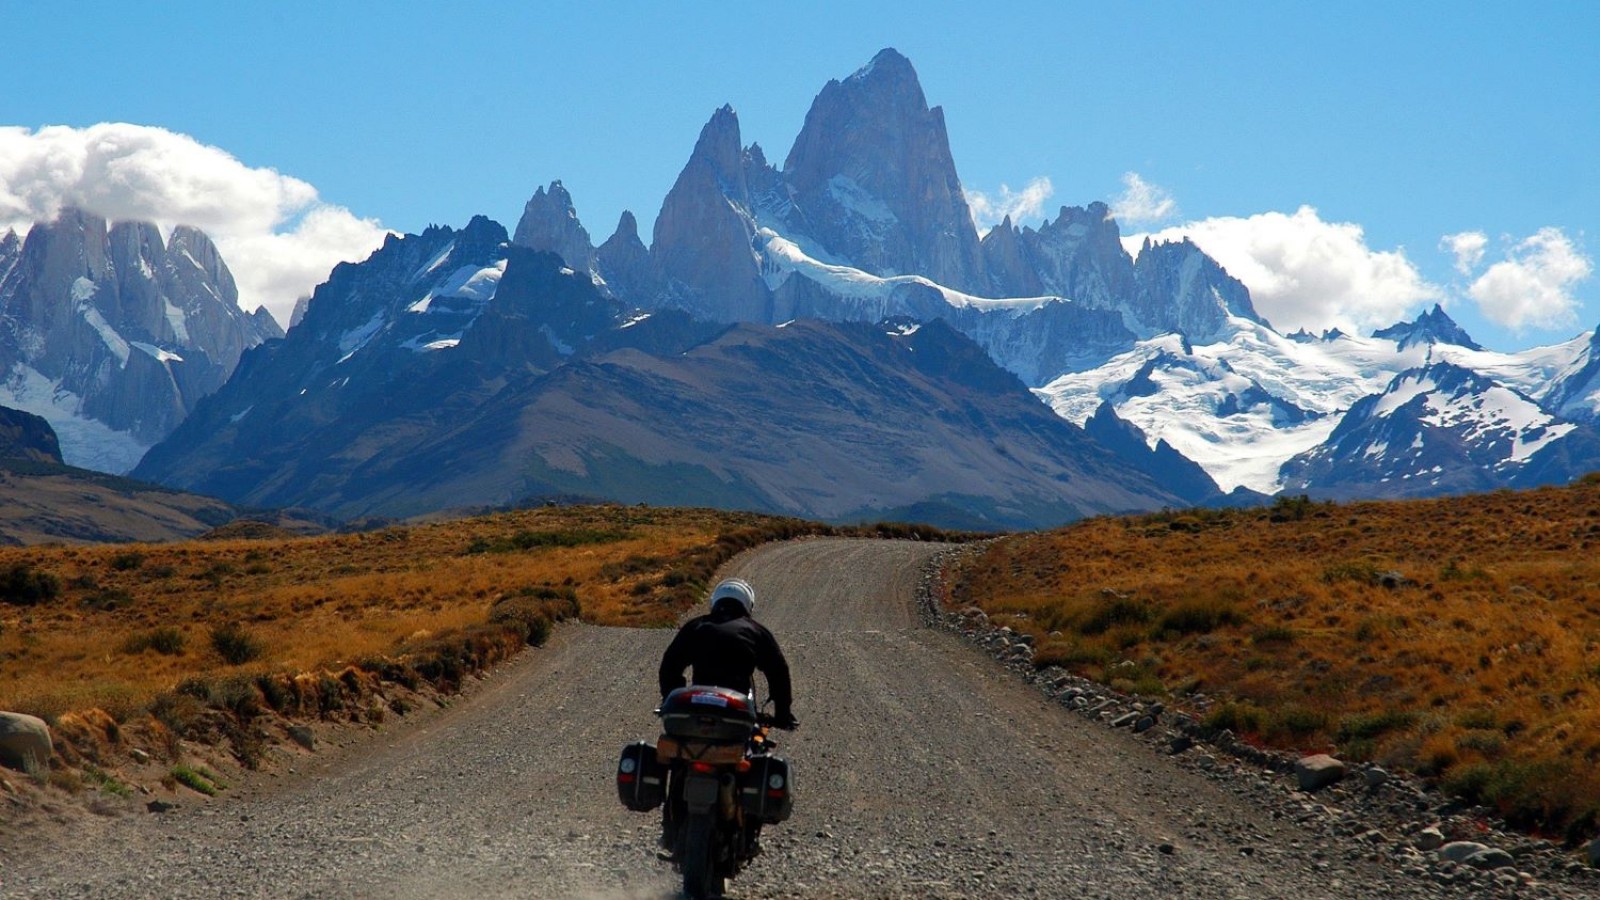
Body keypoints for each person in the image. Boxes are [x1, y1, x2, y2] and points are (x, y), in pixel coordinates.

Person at [656, 577, 796, 855]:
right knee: (753, 756)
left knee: (680, 761)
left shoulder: (696, 626)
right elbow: (779, 673)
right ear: (747, 605)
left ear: (715, 601)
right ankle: (747, 831)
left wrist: (672, 697)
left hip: (693, 710)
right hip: (735, 716)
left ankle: (670, 830)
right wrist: (782, 714)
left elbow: (669, 666)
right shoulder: (755, 631)